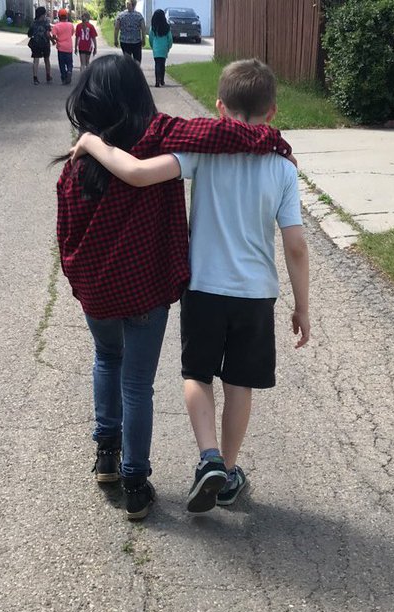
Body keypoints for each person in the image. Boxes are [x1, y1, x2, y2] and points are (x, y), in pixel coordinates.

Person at [56, 55, 293, 521]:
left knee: (107, 359)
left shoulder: (76, 167)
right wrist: (271, 138)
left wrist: (81, 283)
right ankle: (136, 482)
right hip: (147, 292)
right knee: (138, 383)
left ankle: (106, 456)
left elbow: (66, 236)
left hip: (99, 297)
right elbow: (218, 135)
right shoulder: (162, 139)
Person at [27, 7, 53, 85]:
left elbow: (29, 34)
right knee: (47, 60)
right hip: (45, 43)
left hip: (36, 43)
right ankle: (48, 76)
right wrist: (52, 40)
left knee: (36, 60)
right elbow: (48, 34)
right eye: (45, 13)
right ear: (43, 14)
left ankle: (35, 78)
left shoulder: (33, 23)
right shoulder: (46, 22)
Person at [51, 7, 76, 84]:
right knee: (69, 63)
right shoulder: (70, 25)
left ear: (59, 16)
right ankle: (69, 71)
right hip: (69, 47)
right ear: (66, 16)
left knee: (61, 64)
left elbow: (54, 36)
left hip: (61, 48)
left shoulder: (56, 26)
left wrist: (57, 40)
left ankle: (64, 78)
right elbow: (72, 34)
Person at [148, 9, 172, 87]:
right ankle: (162, 80)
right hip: (164, 48)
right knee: (162, 64)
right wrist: (169, 47)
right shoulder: (166, 27)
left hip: (156, 48)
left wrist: (152, 46)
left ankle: (157, 81)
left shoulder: (153, 27)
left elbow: (151, 38)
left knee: (157, 64)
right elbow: (170, 38)